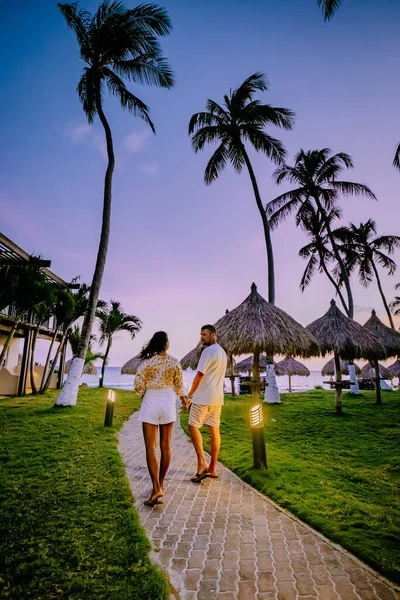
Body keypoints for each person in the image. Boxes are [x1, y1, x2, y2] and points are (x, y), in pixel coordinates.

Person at [134, 331, 189, 506]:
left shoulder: (147, 363)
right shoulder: (175, 362)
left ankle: (156, 487)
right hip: (167, 401)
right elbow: (179, 385)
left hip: (151, 401)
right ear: (166, 344)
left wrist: (143, 391)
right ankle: (161, 484)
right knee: (166, 446)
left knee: (151, 447)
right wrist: (183, 399)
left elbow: (138, 384)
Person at [187, 324, 227, 482]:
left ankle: (202, 464)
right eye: (201, 334)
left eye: (204, 334)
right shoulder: (222, 353)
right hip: (217, 399)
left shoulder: (207, 351)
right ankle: (213, 468)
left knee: (193, 426)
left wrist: (189, 395)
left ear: (213, 335)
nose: (201, 337)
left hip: (203, 398)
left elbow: (199, 375)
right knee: (214, 430)